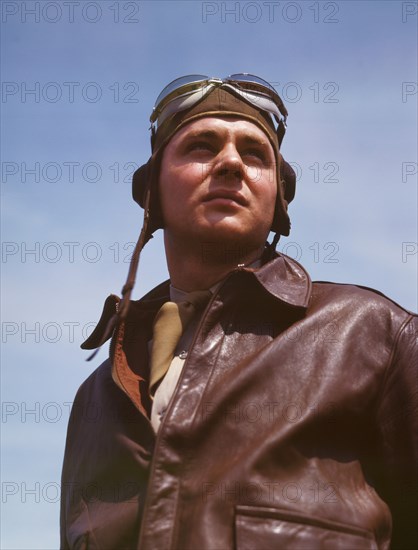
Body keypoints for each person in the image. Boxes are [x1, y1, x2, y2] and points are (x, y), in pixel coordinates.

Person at [60, 75, 417, 550]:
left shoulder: (375, 335)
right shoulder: (96, 397)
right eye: (202, 146)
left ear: (278, 199)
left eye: (254, 153)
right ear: (152, 193)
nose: (230, 163)